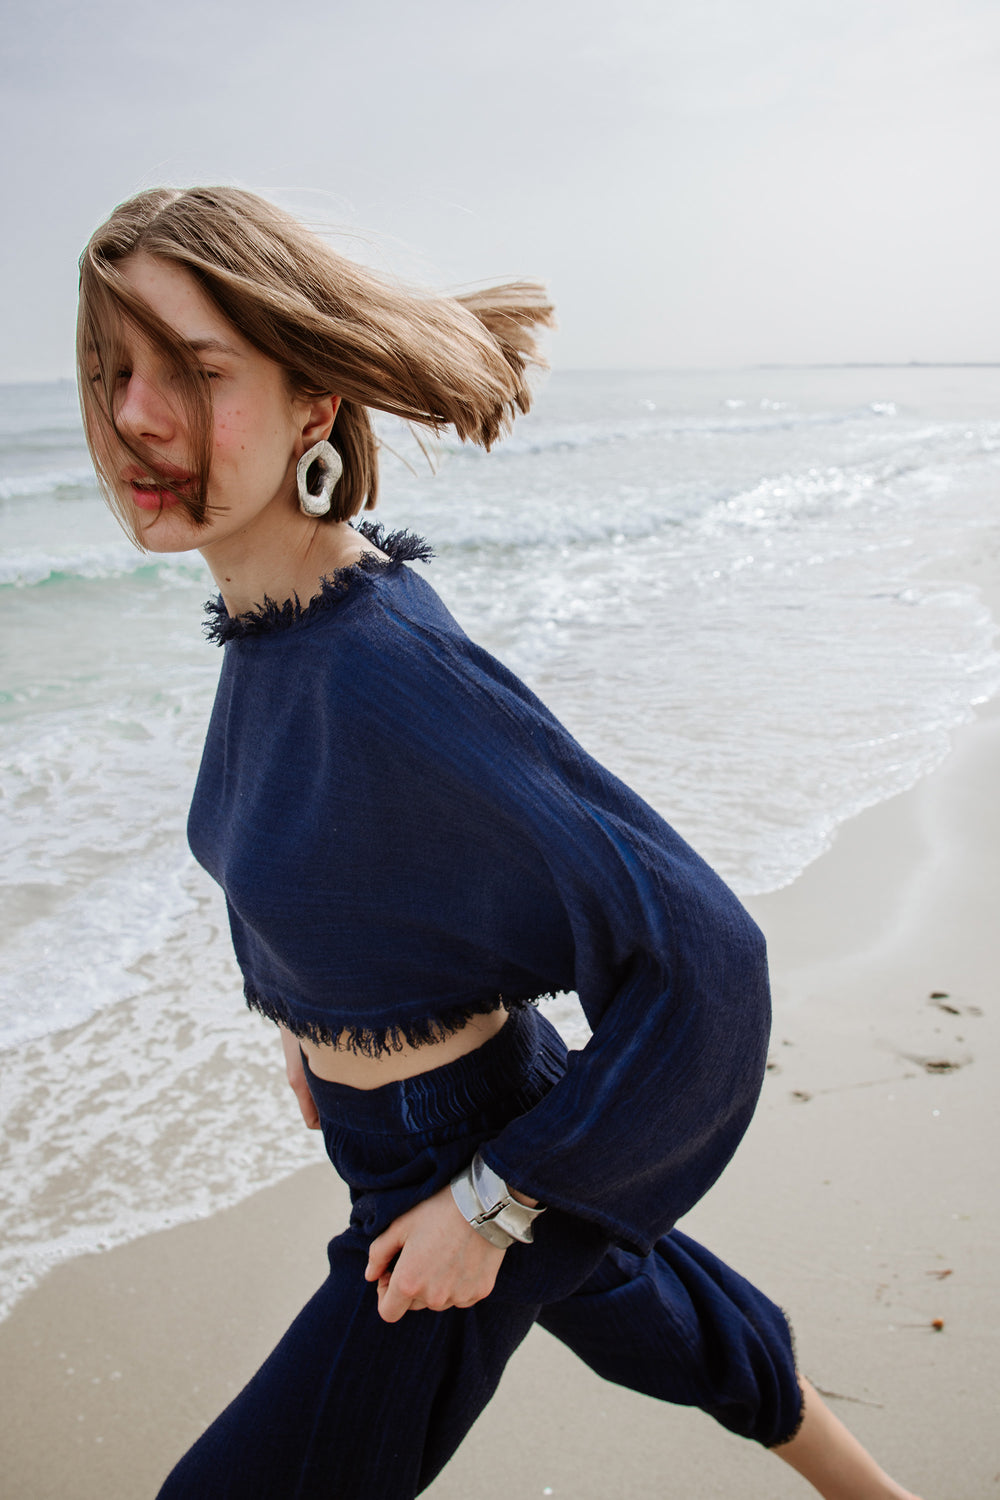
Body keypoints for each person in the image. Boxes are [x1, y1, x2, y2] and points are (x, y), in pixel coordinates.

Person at [77, 185, 922, 1500]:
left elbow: (706, 957)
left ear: (314, 404)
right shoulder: (282, 630)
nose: (137, 413)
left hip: (452, 1160)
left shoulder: (379, 667)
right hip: (460, 1110)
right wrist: (315, 1016)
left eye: (194, 369)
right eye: (115, 369)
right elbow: (342, 853)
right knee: (673, 1327)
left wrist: (496, 1208)